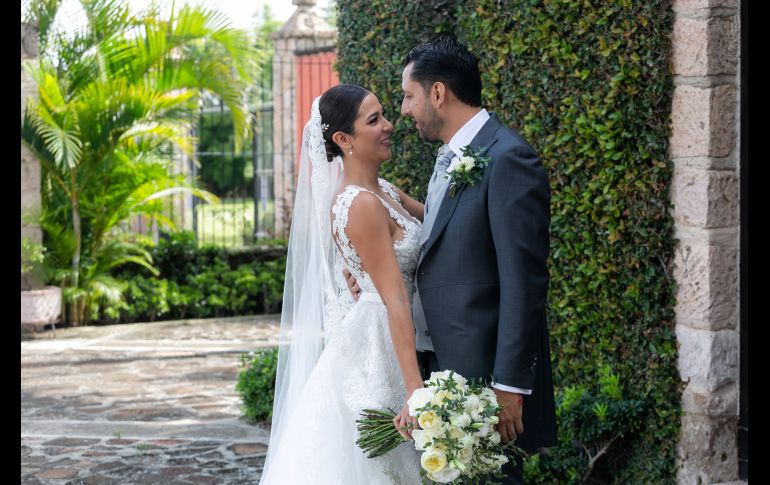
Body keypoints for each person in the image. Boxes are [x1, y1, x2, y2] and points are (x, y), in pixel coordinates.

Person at [346, 36, 558, 484]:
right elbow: (446, 242)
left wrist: (509, 386)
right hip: (443, 365)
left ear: (437, 93)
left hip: (486, 377)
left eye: (407, 96)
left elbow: (524, 282)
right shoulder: (451, 157)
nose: (402, 110)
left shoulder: (508, 158)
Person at [259, 84, 424, 484]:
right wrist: (417, 391)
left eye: (384, 114)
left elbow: (441, 226)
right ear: (343, 140)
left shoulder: (382, 191)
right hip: (379, 343)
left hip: (390, 328)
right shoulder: (359, 204)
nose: (388, 125)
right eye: (374, 120)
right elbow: (394, 300)